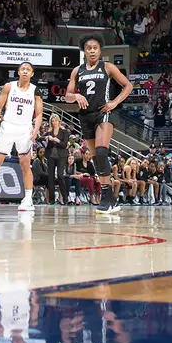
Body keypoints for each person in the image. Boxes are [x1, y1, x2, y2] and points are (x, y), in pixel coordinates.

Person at [65, 34, 133, 215]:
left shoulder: (107, 67)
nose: (92, 51)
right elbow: (67, 96)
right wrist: (76, 96)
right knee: (96, 158)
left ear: (100, 50)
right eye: (89, 48)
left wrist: (114, 102)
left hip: (103, 113)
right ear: (84, 51)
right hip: (85, 116)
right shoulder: (77, 71)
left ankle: (106, 197)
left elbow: (128, 86)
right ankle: (110, 199)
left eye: (95, 48)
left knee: (102, 152)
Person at [0, 61, 41, 212]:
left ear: (32, 74)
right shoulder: (9, 87)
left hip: (24, 129)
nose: (25, 71)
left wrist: (36, 129)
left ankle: (28, 199)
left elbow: (39, 114)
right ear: (18, 72)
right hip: (8, 127)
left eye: (28, 69)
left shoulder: (35, 90)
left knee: (25, 164)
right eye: (23, 69)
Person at [40, 113, 69, 205]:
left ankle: (65, 198)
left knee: (60, 175)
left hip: (61, 156)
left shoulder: (64, 132)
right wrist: (46, 137)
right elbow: (39, 138)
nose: (54, 122)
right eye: (52, 121)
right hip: (51, 156)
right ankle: (51, 199)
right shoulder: (49, 132)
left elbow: (64, 145)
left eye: (55, 120)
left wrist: (58, 141)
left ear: (59, 121)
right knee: (51, 177)